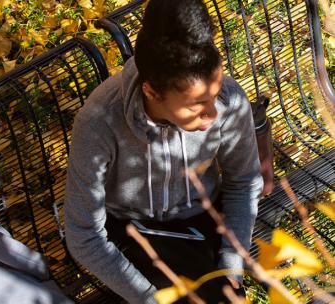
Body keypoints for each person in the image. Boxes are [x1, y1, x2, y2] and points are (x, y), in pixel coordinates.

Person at [64, 0, 263, 303]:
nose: (212, 115)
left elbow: (244, 181)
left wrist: (231, 268)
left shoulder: (229, 99)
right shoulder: (98, 123)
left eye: (215, 93)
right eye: (197, 106)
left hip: (202, 221)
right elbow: (84, 235)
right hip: (133, 230)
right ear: (151, 91)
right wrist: (148, 299)